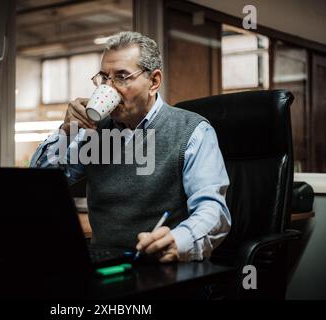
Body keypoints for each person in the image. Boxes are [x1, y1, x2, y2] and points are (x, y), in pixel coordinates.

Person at [30, 31, 231, 262]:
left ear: (154, 82)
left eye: (122, 77)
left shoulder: (193, 131)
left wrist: (180, 240)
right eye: (104, 78)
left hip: (163, 267)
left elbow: (213, 211)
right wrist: (65, 131)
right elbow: (39, 184)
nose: (109, 87)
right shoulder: (94, 130)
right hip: (105, 264)